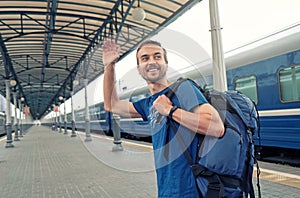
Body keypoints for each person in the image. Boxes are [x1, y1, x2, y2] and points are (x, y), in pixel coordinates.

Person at [102, 39, 224, 197]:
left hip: (190, 191)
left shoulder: (184, 89)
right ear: (139, 69)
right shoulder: (149, 104)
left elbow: (216, 126)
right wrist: (109, 67)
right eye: (145, 58)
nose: (152, 62)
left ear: (166, 63)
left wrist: (170, 110)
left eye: (157, 56)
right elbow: (112, 105)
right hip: (166, 190)